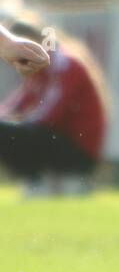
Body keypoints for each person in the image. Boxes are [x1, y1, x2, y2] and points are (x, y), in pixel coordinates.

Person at [0, 15, 109, 196]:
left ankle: (43, 181)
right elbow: (20, 102)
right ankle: (39, 180)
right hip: (60, 140)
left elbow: (49, 113)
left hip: (79, 152)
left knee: (14, 133)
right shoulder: (44, 68)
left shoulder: (65, 65)